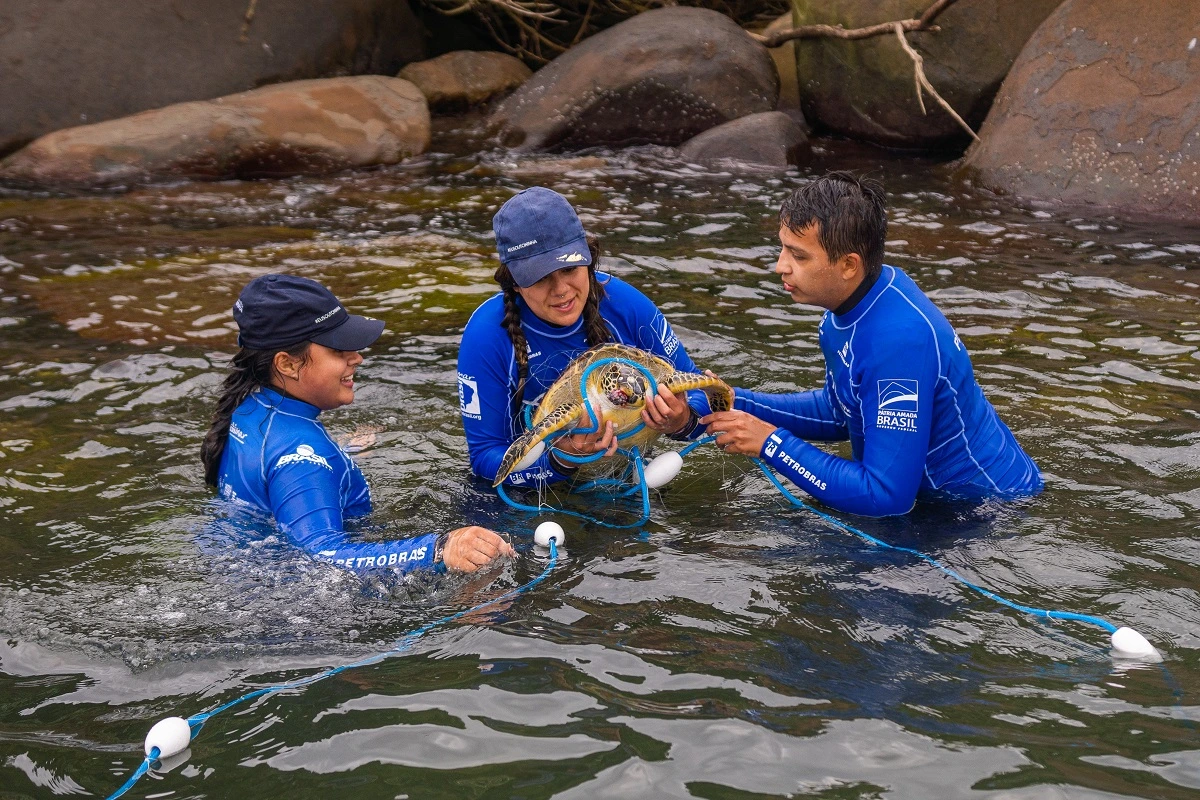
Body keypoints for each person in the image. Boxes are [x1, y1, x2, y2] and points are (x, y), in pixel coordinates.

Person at [702, 172, 1042, 517]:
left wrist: (772, 444)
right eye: (782, 248)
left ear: (849, 265)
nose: (780, 266)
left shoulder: (899, 343)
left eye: (799, 256)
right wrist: (727, 401)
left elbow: (885, 496)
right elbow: (840, 411)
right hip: (929, 504)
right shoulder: (854, 303)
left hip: (985, 514)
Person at [201, 273, 515, 573]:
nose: (357, 357)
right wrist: (439, 549)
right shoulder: (303, 458)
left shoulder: (248, 409)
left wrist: (340, 451)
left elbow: (277, 479)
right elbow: (322, 559)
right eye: (338, 349)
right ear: (287, 363)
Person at [458, 186, 713, 486]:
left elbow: (701, 394)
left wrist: (683, 422)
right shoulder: (487, 337)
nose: (561, 289)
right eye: (540, 277)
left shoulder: (624, 306)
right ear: (514, 282)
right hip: (532, 490)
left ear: (588, 259)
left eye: (569, 268)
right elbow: (485, 458)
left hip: (624, 474)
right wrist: (560, 461)